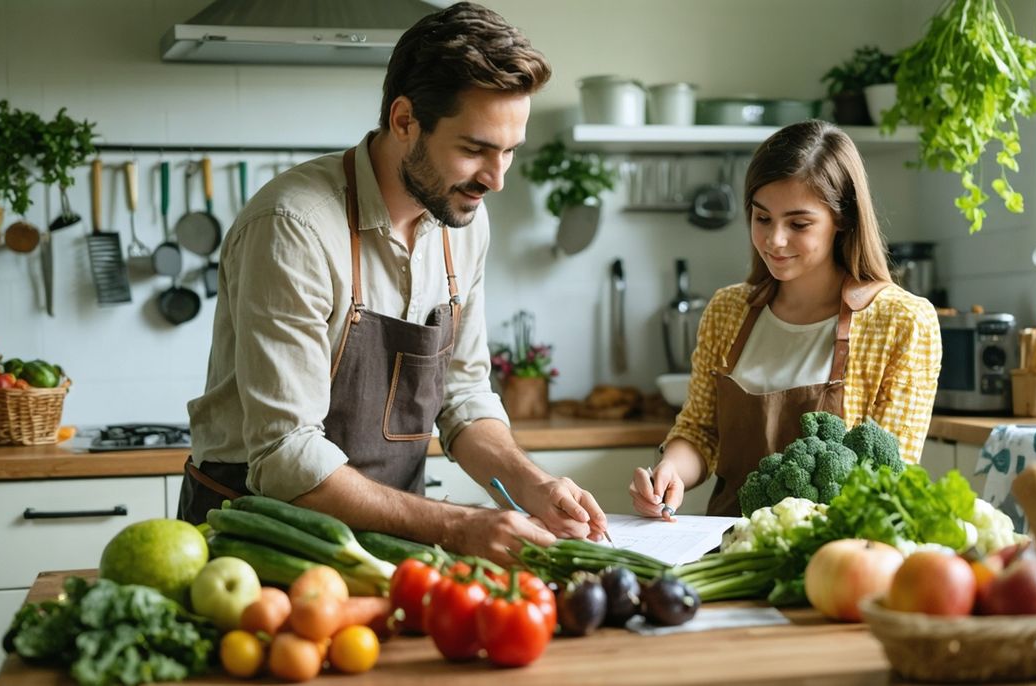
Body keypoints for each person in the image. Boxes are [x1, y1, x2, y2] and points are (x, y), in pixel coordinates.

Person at [179, 2, 607, 565]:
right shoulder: (293, 227)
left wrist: (532, 484)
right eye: (475, 149)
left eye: (509, 152)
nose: (496, 179)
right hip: (257, 539)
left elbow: (464, 397)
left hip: (394, 544)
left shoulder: (464, 221)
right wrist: (460, 525)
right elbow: (286, 455)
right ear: (405, 121)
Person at [630, 120, 941, 518]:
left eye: (798, 224)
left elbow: (891, 473)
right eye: (762, 219)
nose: (775, 240)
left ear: (842, 219)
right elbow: (699, 431)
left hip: (835, 553)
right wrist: (669, 470)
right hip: (724, 549)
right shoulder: (728, 311)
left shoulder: (903, 321)